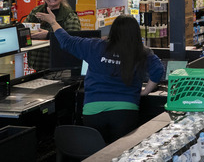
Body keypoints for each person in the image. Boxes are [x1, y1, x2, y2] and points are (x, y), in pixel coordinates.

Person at [36, 12, 164, 143]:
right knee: (121, 153)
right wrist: (145, 91)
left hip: (93, 112)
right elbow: (158, 70)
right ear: (136, 33)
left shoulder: (94, 46)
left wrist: (53, 22)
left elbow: (66, 41)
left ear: (113, 31)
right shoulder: (142, 53)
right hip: (125, 111)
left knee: (97, 153)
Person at [24, 0, 81, 72]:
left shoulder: (69, 15)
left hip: (58, 66)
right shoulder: (36, 11)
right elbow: (25, 28)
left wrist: (48, 35)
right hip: (35, 64)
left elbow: (72, 39)